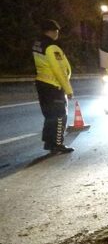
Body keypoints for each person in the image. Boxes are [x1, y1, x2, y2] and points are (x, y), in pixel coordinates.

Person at [32, 19, 74, 153]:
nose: (57, 33)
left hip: (42, 83)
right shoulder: (52, 47)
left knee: (50, 115)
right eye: (56, 31)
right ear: (51, 31)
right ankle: (57, 144)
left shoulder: (38, 43)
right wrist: (68, 89)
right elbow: (59, 70)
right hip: (54, 85)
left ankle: (49, 142)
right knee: (60, 114)